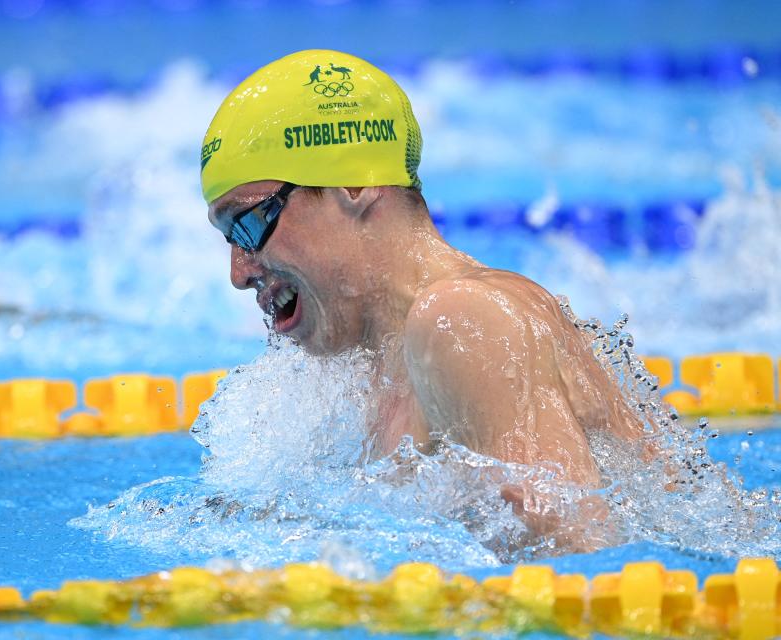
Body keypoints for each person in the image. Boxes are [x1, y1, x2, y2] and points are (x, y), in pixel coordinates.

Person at [200, 50, 644, 543]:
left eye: (249, 222)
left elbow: (578, 567)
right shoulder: (375, 366)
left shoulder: (462, 318)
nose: (240, 273)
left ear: (353, 183)